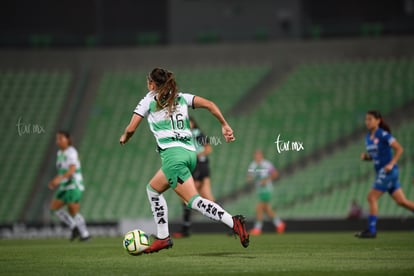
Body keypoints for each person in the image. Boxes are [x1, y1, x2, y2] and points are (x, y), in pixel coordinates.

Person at [119, 68, 249, 253]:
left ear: (152, 84)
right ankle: (163, 237)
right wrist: (224, 125)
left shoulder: (148, 100)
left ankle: (233, 222)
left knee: (194, 201)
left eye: (148, 82)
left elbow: (131, 128)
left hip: (173, 157)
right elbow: (210, 104)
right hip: (189, 153)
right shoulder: (181, 97)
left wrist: (125, 136)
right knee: (153, 190)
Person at [356, 110, 414, 238]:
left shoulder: (383, 134)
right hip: (383, 172)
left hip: (387, 172)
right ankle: (371, 230)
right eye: (366, 119)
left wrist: (391, 163)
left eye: (370, 119)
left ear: (378, 120)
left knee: (371, 197)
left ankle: (371, 230)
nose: (367, 122)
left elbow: (399, 149)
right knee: (402, 201)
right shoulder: (368, 137)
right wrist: (367, 157)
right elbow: (376, 155)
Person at [173, 117, 214, 238]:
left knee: (187, 195)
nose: (188, 124)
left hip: (199, 165)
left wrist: (194, 156)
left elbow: (208, 148)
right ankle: (232, 224)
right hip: (201, 166)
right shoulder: (187, 135)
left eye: (189, 122)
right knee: (207, 195)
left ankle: (185, 228)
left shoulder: (195, 133)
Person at [48, 131, 90, 241]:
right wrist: (56, 180)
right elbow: (63, 170)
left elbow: (72, 170)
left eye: (61, 138)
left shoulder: (71, 152)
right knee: (54, 208)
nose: (58, 141)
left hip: (74, 185)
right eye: (57, 139)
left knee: (73, 210)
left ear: (68, 140)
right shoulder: (59, 153)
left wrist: (58, 179)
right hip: (64, 186)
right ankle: (74, 227)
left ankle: (85, 234)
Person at [247, 150, 285, 235]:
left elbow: (275, 174)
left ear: (262, 156)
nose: (257, 157)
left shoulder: (267, 164)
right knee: (267, 209)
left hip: (267, 189)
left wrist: (266, 180)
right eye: (256, 155)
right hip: (259, 190)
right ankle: (279, 224)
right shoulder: (252, 165)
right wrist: (250, 177)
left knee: (259, 207)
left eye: (259, 155)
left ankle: (258, 228)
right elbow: (249, 176)